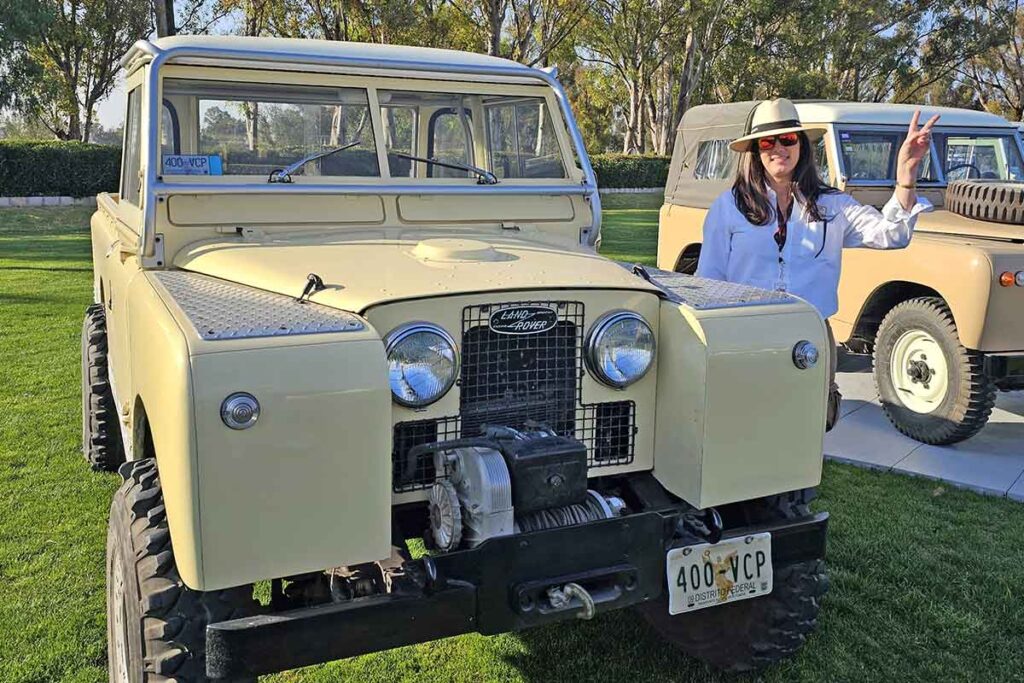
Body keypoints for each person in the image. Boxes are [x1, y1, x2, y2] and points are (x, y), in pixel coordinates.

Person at [696, 98, 938, 431]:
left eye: (788, 139)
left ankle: (800, 483)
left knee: (811, 420)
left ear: (802, 146)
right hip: (747, 330)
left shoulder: (832, 205)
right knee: (748, 422)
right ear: (755, 151)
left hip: (809, 330)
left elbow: (892, 233)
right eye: (768, 141)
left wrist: (906, 176)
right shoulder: (729, 207)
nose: (778, 148)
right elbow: (710, 279)